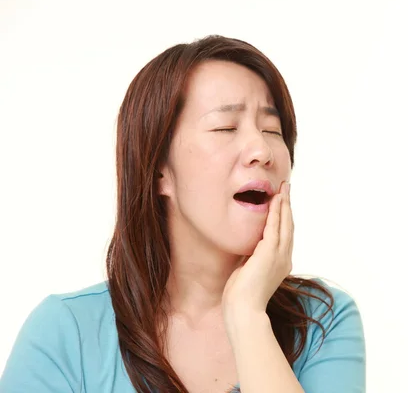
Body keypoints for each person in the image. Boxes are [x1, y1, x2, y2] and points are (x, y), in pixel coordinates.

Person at [0, 35, 366, 393]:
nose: (262, 150)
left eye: (273, 130)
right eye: (226, 127)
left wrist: (247, 317)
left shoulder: (322, 321)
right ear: (159, 169)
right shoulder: (64, 333)